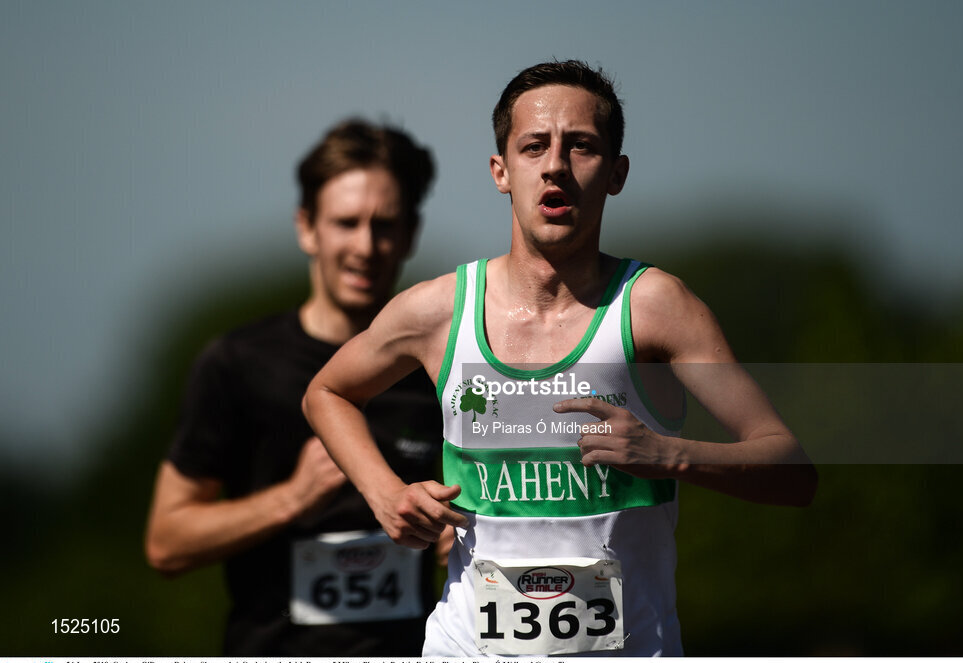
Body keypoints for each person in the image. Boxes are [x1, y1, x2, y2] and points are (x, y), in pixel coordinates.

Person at [303, 61, 818, 657]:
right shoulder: (438, 311)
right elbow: (328, 392)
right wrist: (384, 492)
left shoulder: (655, 308)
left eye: (581, 147)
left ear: (616, 173)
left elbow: (792, 472)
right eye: (533, 147)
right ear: (502, 171)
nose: (555, 165)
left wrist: (670, 455)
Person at [144, 119, 447, 656]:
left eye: (385, 224)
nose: (366, 245)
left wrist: (455, 536)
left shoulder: (441, 366)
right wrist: (290, 499)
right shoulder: (237, 363)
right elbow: (166, 542)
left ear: (411, 233)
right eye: (346, 222)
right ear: (307, 227)